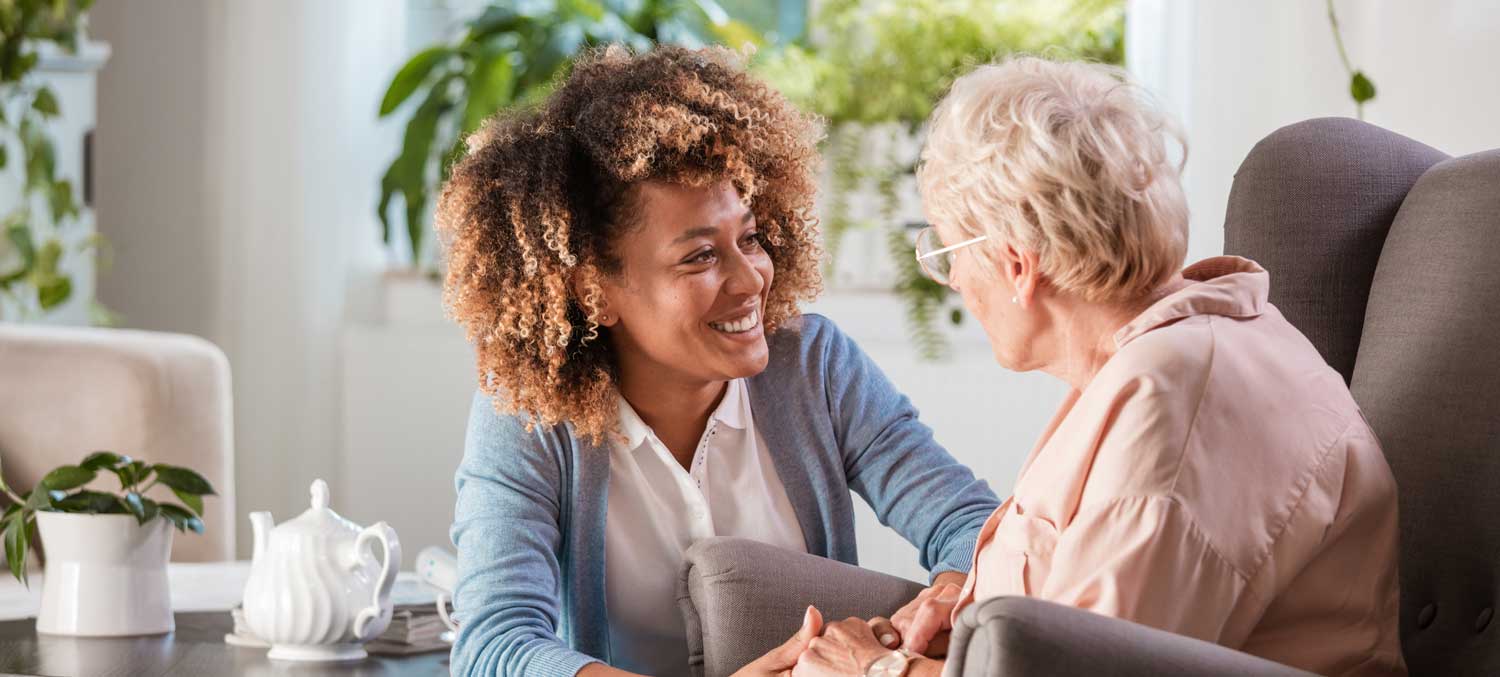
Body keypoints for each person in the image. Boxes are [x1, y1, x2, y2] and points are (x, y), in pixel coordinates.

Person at [789, 56, 1405, 677]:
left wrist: (876, 671)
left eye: (947, 250)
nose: (949, 278)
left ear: (1016, 264)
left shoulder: (1173, 405)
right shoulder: (1165, 359)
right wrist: (972, 611)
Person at [436, 45, 1001, 677]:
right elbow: (494, 646)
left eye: (750, 238)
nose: (750, 279)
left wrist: (946, 598)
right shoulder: (530, 416)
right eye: (700, 256)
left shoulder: (814, 367)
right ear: (594, 290)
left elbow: (971, 523)